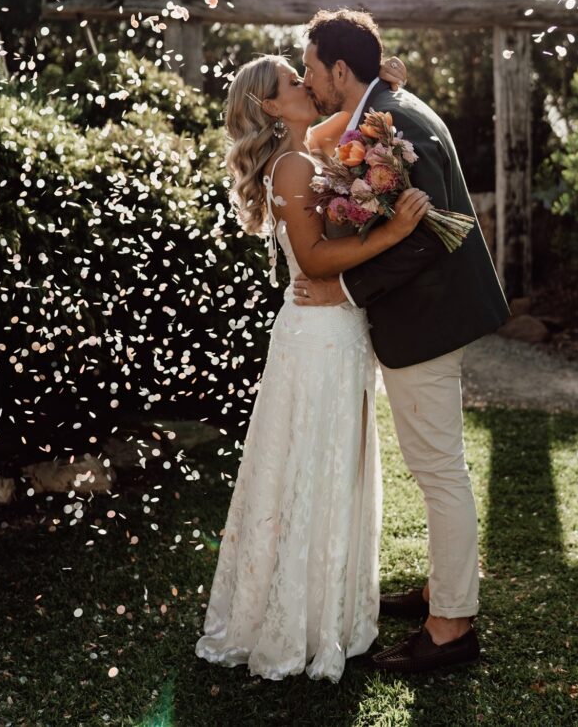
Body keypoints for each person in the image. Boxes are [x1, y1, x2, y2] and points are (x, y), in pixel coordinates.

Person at [195, 50, 427, 683]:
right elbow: (317, 259)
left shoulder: (311, 146)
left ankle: (325, 609)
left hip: (335, 333)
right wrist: (393, 234)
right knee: (311, 465)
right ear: (272, 106)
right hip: (318, 335)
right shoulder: (294, 165)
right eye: (296, 82)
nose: (309, 84)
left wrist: (386, 88)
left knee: (326, 465)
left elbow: (350, 117)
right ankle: (296, 621)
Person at [295, 7, 510, 674]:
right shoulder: (385, 107)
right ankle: (440, 592)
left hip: (428, 318)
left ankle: (450, 629)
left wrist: (346, 290)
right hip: (427, 315)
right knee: (436, 468)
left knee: (440, 471)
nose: (308, 81)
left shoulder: (396, 124)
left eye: (310, 69)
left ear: (338, 67)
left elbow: (427, 231)